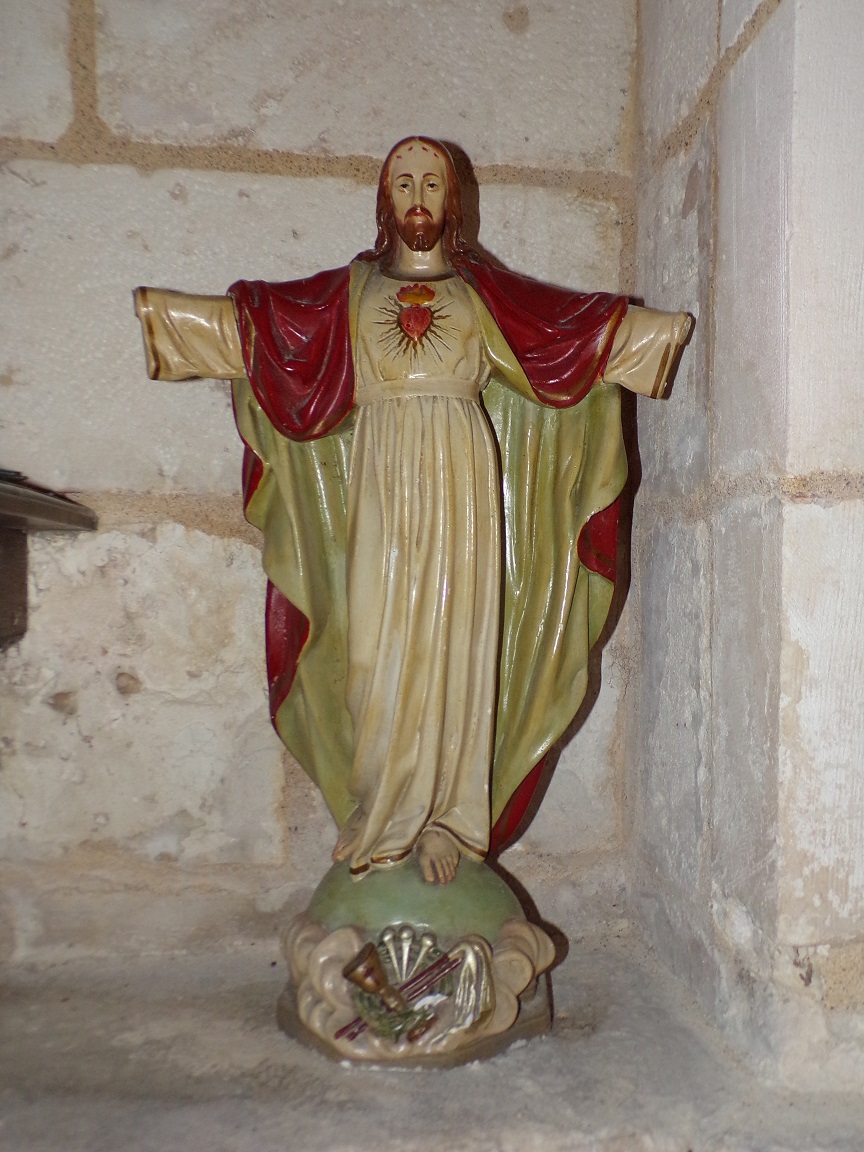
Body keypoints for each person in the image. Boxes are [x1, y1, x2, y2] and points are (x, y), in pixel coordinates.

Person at [134, 136, 691, 886]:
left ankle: (449, 824)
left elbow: (558, 339)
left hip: (462, 480)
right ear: (385, 199)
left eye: (433, 182)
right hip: (382, 480)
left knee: (458, 643)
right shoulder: (351, 295)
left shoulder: (479, 297)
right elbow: (268, 331)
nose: (419, 196)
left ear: (453, 201)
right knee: (375, 643)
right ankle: (380, 807)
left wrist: (648, 336)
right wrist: (171, 321)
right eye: (405, 182)